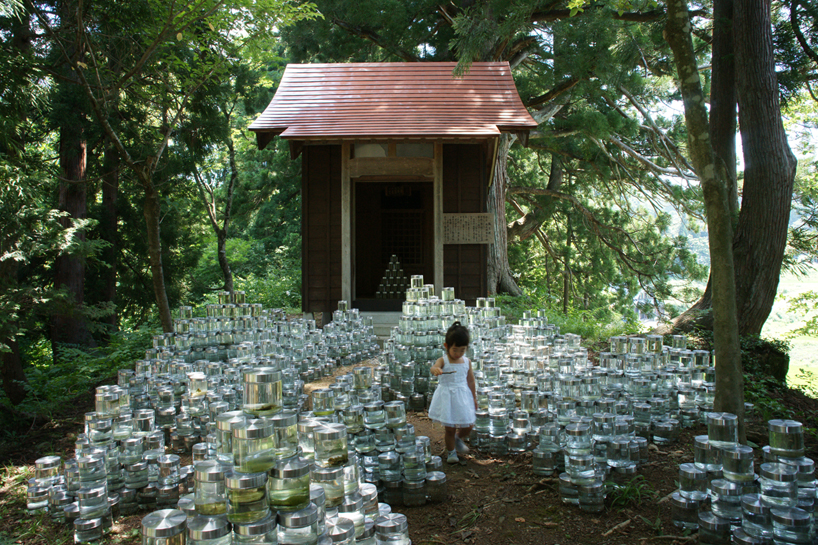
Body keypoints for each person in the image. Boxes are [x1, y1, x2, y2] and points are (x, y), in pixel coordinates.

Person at [428, 321, 477, 464]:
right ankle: (451, 452)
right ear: (447, 346)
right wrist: (436, 370)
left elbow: (471, 381)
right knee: (449, 427)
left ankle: (458, 438)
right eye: (455, 350)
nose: (458, 353)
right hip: (447, 397)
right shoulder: (443, 360)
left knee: (469, 424)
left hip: (463, 397)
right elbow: (434, 367)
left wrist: (474, 398)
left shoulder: (466, 362)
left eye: (462, 350)